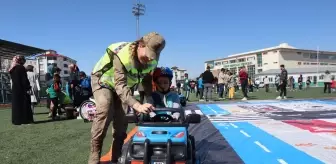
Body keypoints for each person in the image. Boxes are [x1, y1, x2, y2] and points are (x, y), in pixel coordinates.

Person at [89, 32, 165, 164]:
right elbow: (119, 86)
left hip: (125, 85)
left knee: (122, 119)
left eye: (153, 56)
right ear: (140, 45)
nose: (149, 59)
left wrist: (148, 99)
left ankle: (116, 157)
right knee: (105, 108)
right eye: (147, 54)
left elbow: (146, 80)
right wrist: (137, 105)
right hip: (104, 81)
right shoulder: (122, 54)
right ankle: (94, 155)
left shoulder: (152, 60)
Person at [9, 55, 34, 125]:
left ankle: (16, 120)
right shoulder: (21, 68)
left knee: (16, 105)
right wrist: (28, 87)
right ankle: (25, 120)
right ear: (20, 60)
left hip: (15, 89)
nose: (24, 62)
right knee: (24, 104)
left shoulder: (12, 68)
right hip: (22, 89)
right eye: (23, 60)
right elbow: (24, 80)